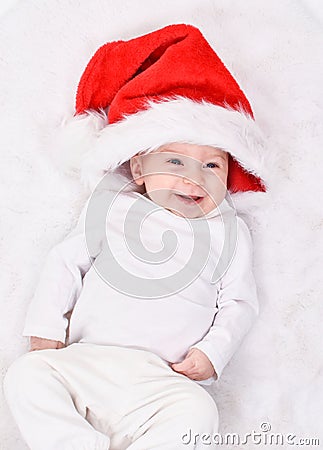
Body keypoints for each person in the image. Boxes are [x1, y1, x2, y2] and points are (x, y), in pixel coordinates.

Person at [3, 23, 266, 450]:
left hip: (161, 380)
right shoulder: (113, 206)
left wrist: (214, 353)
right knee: (26, 376)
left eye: (212, 166)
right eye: (176, 163)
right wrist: (45, 325)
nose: (194, 178)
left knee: (200, 413)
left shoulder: (228, 230)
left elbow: (239, 302)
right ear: (139, 168)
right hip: (85, 362)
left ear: (229, 172)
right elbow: (67, 261)